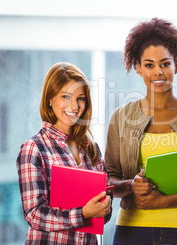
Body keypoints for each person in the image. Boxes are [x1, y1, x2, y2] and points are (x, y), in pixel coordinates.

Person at [105, 17, 177, 245]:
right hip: (130, 230)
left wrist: (166, 201)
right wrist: (131, 185)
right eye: (149, 65)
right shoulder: (121, 117)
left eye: (165, 64)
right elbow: (108, 178)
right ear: (138, 68)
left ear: (176, 64)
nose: (158, 72)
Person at [16, 62, 112, 244]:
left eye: (80, 98)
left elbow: (103, 212)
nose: (74, 106)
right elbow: (34, 215)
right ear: (49, 100)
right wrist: (83, 213)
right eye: (66, 97)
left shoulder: (91, 148)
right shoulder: (34, 148)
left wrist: (105, 207)